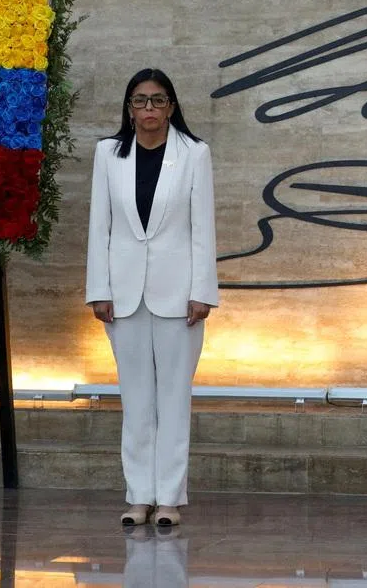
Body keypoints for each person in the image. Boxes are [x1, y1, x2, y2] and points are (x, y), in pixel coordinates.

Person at [86, 68, 219, 528]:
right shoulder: (108, 153)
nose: (149, 109)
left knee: (174, 400)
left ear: (172, 106)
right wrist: (98, 290)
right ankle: (139, 496)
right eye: (140, 101)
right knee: (136, 401)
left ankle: (169, 500)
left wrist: (202, 291)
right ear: (129, 108)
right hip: (122, 296)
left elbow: (203, 227)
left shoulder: (194, 154)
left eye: (158, 101)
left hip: (180, 295)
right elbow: (99, 225)